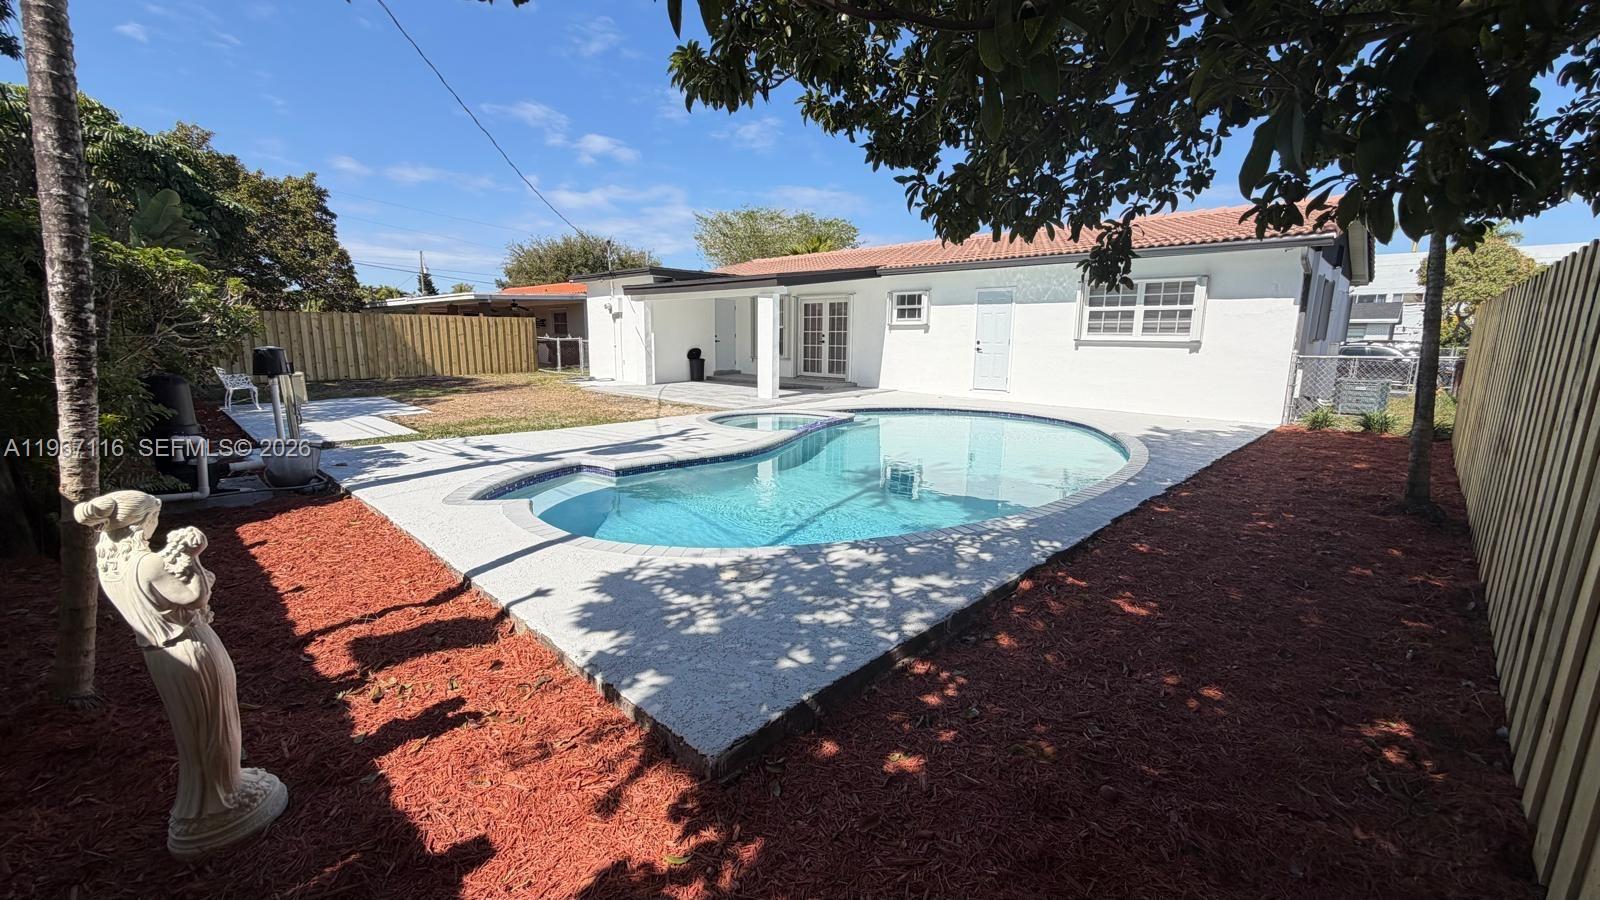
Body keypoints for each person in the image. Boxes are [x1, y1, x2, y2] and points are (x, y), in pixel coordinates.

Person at [74, 490, 287, 858]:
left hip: (160, 656)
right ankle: (222, 801)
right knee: (214, 721)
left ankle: (213, 792)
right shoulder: (148, 564)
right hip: (191, 649)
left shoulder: (110, 566)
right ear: (143, 521)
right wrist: (193, 556)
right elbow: (195, 597)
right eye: (154, 514)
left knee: (193, 728)